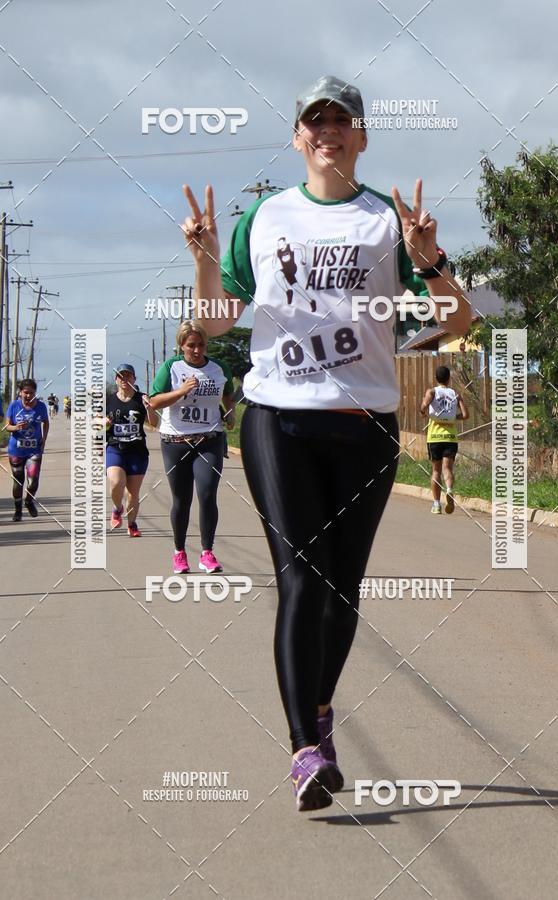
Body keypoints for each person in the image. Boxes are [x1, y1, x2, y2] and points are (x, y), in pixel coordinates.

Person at [181, 75, 472, 812]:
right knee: (303, 579)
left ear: (362, 137)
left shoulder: (387, 221)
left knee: (342, 594)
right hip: (278, 417)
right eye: (314, 121)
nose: (327, 131)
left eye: (341, 121)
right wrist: (208, 255)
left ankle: (318, 712)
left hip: (366, 427)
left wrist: (429, 258)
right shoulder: (266, 217)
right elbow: (215, 323)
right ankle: (304, 751)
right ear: (298, 137)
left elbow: (459, 321)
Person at [147, 320, 236, 574]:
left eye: (201, 345)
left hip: (209, 439)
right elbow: (154, 401)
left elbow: (228, 394)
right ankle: (180, 552)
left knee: (207, 494)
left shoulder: (219, 368)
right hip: (175, 442)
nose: (197, 351)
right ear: (181, 346)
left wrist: (230, 414)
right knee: (181, 499)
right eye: (191, 346)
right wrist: (181, 391)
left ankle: (207, 553)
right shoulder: (171, 368)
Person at [105, 364, 158, 537]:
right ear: (116, 379)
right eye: (121, 376)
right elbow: (96, 424)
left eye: (128, 376)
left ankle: (132, 524)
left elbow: (154, 423)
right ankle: (117, 508)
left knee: (133, 493)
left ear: (134, 378)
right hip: (115, 448)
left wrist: (149, 407)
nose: (124, 379)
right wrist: (103, 424)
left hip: (137, 452)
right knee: (115, 482)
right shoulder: (109, 400)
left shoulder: (141, 398)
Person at [421, 365, 470, 515]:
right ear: (449, 379)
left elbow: (423, 407)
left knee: (436, 470)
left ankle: (436, 504)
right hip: (450, 437)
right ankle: (449, 489)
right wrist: (454, 417)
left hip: (434, 437)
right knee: (447, 469)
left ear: (436, 378)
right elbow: (466, 414)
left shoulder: (432, 391)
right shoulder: (455, 394)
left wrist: (425, 413)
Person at [5, 378, 49, 521]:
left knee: (33, 481)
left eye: (31, 393)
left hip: (34, 450)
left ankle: (29, 502)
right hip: (16, 450)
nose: (28, 396)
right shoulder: (14, 406)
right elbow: (8, 426)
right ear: (20, 392)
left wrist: (44, 440)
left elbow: (46, 423)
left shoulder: (41, 406)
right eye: (25, 392)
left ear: (35, 393)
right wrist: (16, 427)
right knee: (18, 481)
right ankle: (17, 510)